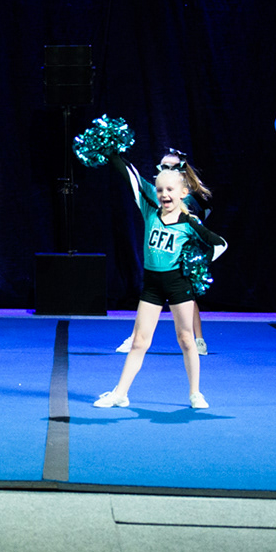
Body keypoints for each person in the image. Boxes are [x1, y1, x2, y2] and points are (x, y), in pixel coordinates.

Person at [93, 159, 226, 409]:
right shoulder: (150, 211)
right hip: (152, 286)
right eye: (160, 190)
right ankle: (120, 393)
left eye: (170, 190)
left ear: (183, 193)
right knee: (139, 341)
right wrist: (113, 153)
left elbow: (220, 244)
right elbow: (131, 178)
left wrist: (197, 262)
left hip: (178, 284)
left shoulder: (189, 222)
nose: (164, 194)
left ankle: (195, 393)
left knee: (186, 339)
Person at [114, 151, 214, 355]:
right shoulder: (157, 192)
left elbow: (204, 212)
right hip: (161, 250)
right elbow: (137, 182)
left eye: (171, 167)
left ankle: (198, 340)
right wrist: (116, 156)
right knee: (151, 296)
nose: (166, 170)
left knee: (188, 295)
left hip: (183, 251)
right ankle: (135, 337)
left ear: (181, 170)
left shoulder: (189, 195)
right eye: (163, 167)